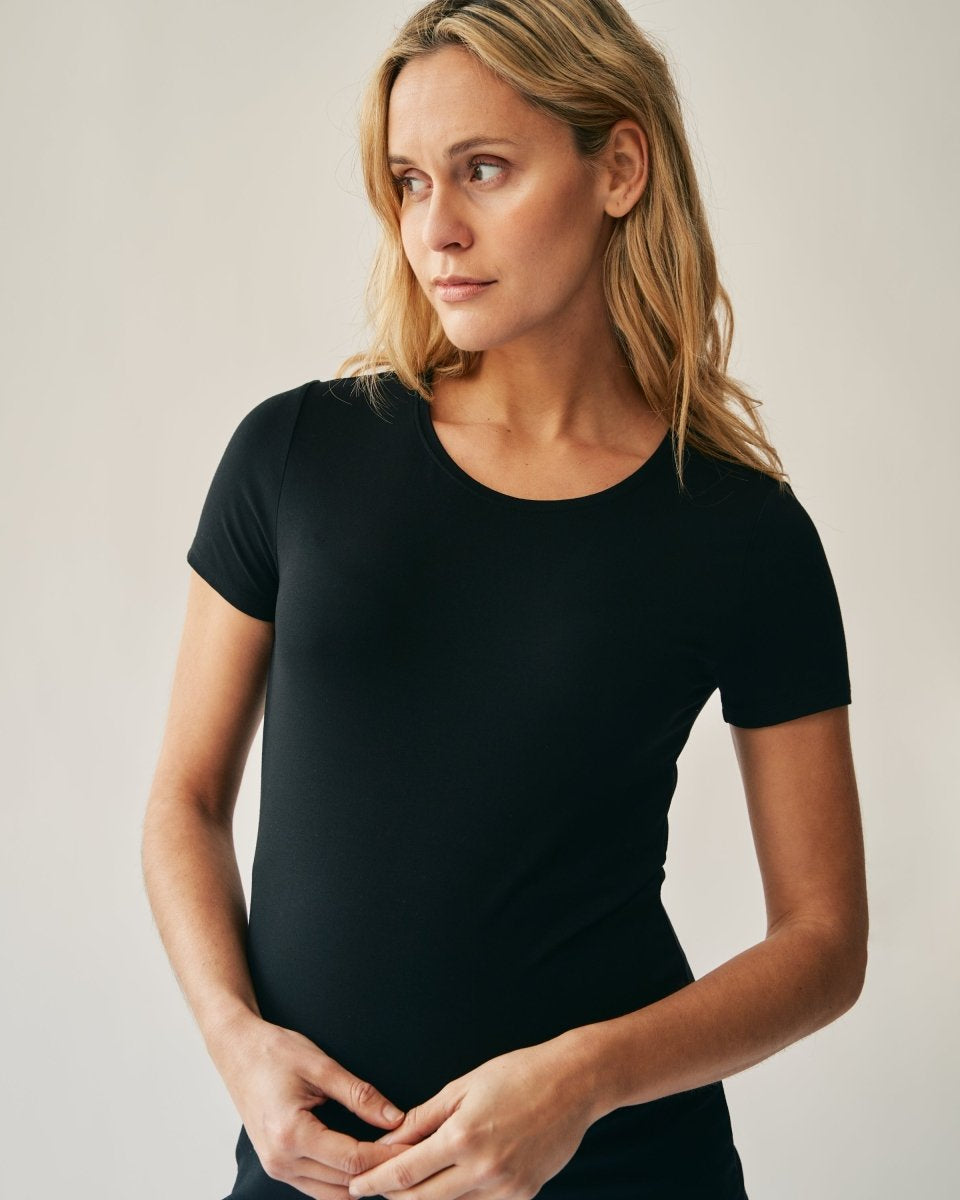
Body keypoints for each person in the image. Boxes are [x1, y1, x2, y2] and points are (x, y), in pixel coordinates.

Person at [141, 2, 868, 1197]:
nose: (436, 227)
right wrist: (236, 1045)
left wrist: (583, 1081)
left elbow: (825, 942)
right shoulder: (297, 455)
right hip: (318, 1169)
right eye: (409, 180)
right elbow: (185, 799)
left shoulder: (740, 530)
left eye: (484, 169)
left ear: (619, 168)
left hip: (621, 1167)